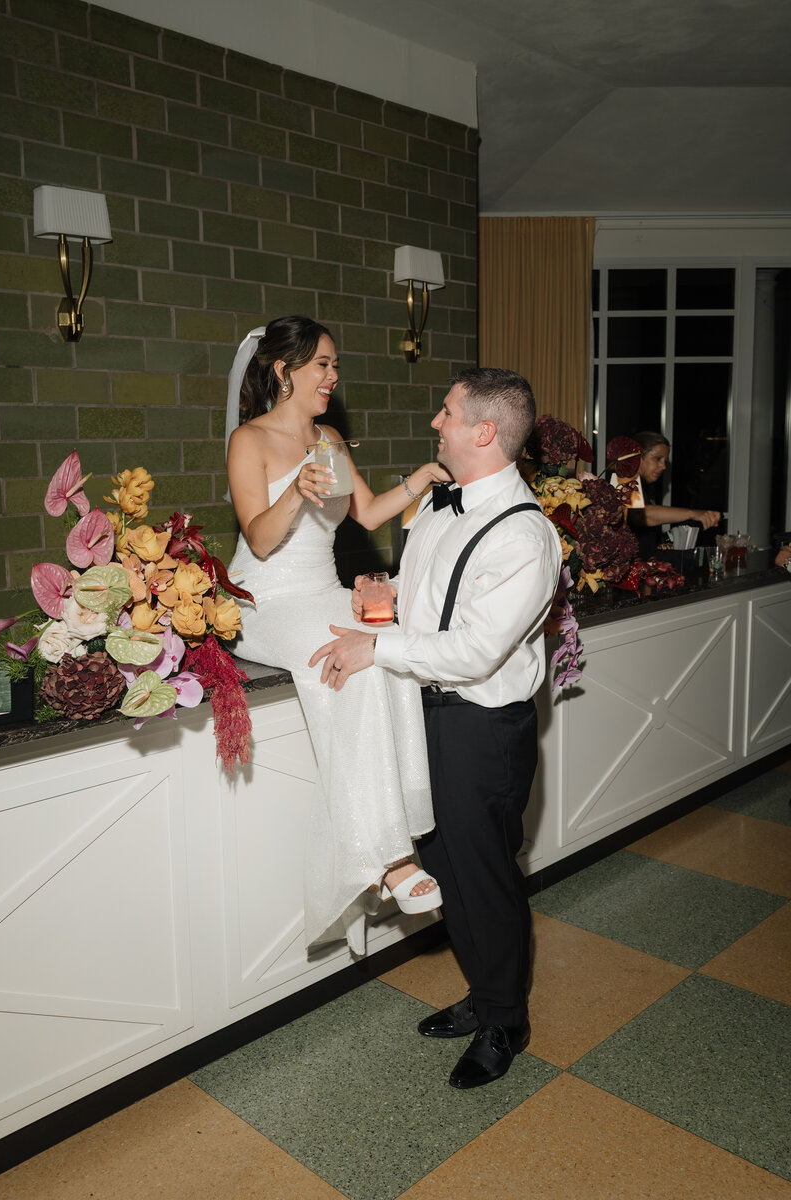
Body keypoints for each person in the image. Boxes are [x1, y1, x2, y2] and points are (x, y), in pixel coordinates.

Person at [310, 367, 562, 1089]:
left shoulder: (526, 537)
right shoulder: (437, 505)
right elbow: (429, 608)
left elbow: (478, 651)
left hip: (482, 727)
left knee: (484, 877)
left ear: (483, 432)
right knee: (444, 865)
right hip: (424, 712)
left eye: (446, 413)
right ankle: (484, 994)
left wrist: (377, 648)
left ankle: (506, 1019)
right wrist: (385, 599)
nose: (435, 423)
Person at [226, 316, 451, 956]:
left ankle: (395, 830)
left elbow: (367, 511)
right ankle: (389, 858)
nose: (332, 377)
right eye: (322, 365)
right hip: (264, 598)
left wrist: (421, 479)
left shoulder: (328, 438)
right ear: (283, 369)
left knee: (387, 647)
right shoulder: (251, 440)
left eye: (333, 367)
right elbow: (262, 540)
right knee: (344, 663)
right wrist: (296, 490)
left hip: (324, 587)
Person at [627, 431, 721, 557]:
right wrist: (693, 514)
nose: (663, 466)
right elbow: (642, 515)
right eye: (658, 459)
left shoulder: (645, 489)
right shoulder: (623, 482)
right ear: (637, 456)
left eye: (665, 460)